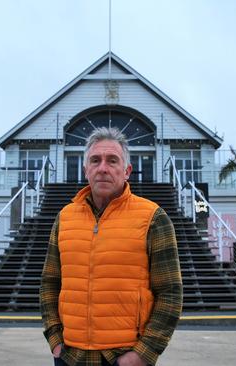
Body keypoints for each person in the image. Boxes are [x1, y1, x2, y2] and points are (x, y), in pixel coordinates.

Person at [40, 127, 183, 366]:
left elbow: (170, 292)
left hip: (123, 357)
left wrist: (142, 354)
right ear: (86, 170)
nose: (103, 168)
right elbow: (50, 282)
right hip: (69, 356)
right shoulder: (64, 217)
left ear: (127, 171)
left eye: (112, 160)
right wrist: (55, 339)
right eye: (95, 160)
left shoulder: (153, 218)